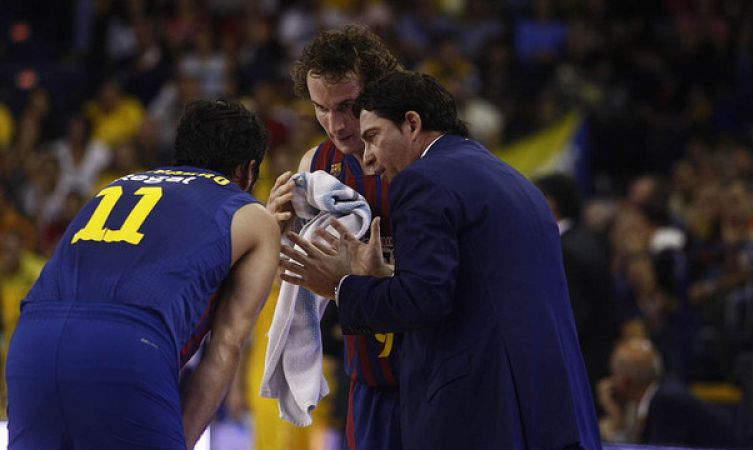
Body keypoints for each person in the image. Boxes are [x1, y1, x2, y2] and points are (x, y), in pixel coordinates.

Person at [279, 71, 601, 449]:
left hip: (480, 408)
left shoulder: (423, 180)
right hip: (547, 401)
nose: (368, 159)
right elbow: (471, 287)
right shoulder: (511, 178)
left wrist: (342, 286)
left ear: (412, 124)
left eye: (373, 137)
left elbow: (424, 301)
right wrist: (389, 277)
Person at [6, 99, 281, 449]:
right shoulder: (251, 214)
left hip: (32, 342)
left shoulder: (117, 185)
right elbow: (225, 347)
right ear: (248, 170)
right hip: (124, 344)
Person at [265, 24, 403, 450]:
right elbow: (289, 278)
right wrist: (274, 233)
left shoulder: (415, 157)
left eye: (347, 107)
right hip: (364, 369)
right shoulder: (316, 166)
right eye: (321, 109)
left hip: (428, 365)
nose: (335, 124)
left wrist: (370, 272)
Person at [535, 173, 619, 399]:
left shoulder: (563, 249)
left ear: (550, 202)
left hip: (577, 366)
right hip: (594, 358)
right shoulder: (586, 238)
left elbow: (569, 316)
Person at [596, 337, 736, 447]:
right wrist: (616, 415)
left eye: (614, 374)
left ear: (625, 381)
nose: (611, 381)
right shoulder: (657, 394)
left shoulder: (665, 402)